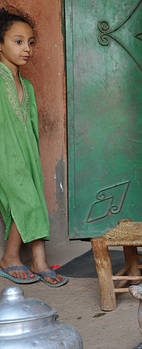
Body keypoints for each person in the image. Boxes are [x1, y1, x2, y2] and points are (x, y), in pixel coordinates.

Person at [0, 7, 67, 286]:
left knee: (35, 193)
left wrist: (32, 163)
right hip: (5, 153)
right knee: (25, 198)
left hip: (25, 152)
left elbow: (31, 132)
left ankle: (38, 260)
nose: (26, 48)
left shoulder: (26, 86)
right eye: (18, 41)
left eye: (30, 42)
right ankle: (9, 258)